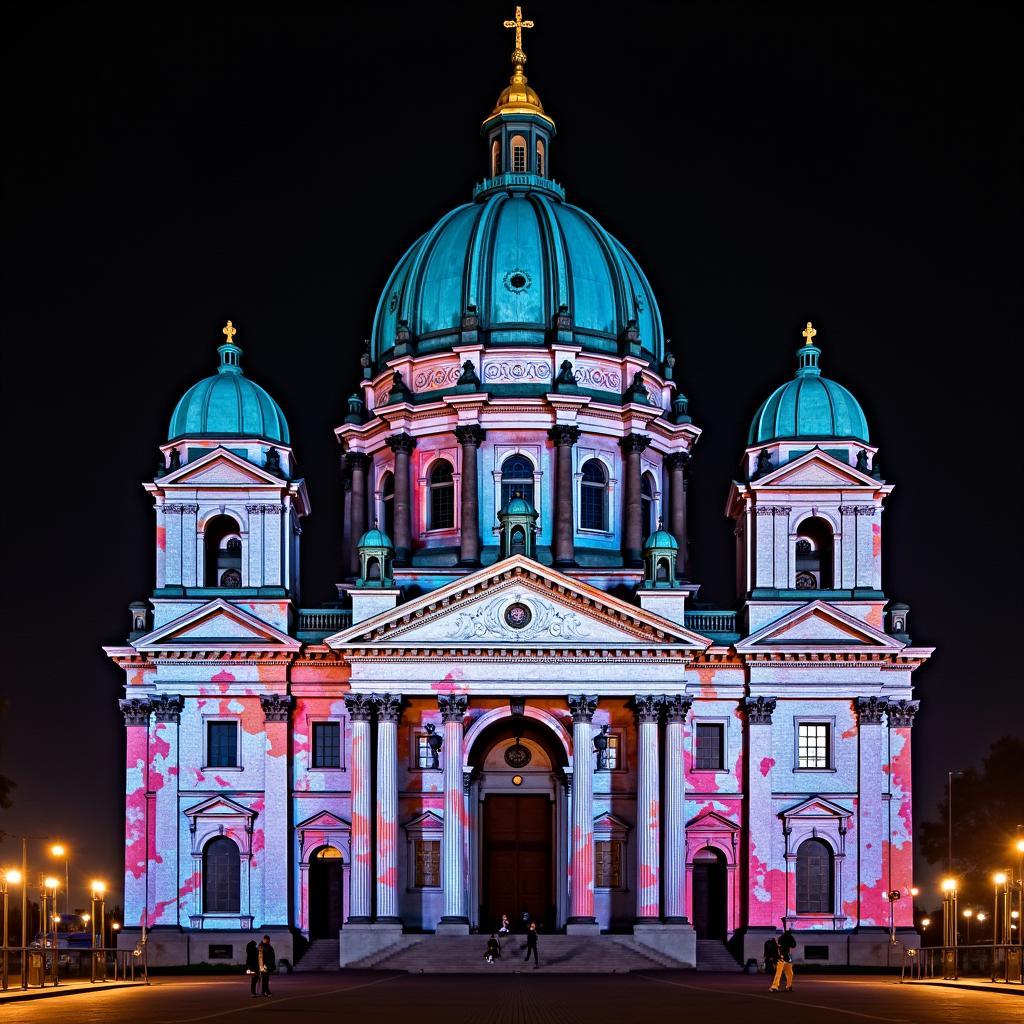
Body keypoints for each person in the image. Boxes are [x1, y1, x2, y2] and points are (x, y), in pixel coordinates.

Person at [769, 920, 796, 992]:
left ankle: (787, 986)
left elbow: (793, 945)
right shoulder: (783, 937)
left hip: (785, 957)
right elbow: (792, 945)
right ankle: (776, 986)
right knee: (784, 973)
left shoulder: (784, 937)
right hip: (782, 957)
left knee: (787, 973)